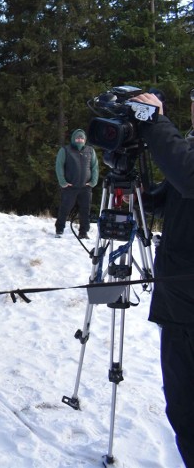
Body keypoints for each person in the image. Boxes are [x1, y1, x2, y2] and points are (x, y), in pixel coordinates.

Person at [130, 89, 194, 467]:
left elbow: (188, 175)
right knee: (182, 407)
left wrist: (155, 122)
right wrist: (129, 177)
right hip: (178, 302)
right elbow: (167, 197)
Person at [54, 128, 99, 238]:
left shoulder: (90, 150)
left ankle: (83, 232)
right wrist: (63, 182)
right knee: (65, 209)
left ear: (85, 140)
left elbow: (95, 167)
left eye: (82, 138)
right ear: (74, 139)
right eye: (78, 138)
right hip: (70, 186)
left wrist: (93, 181)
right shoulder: (65, 150)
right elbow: (59, 166)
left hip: (85, 187)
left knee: (85, 210)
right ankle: (59, 229)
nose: (80, 140)